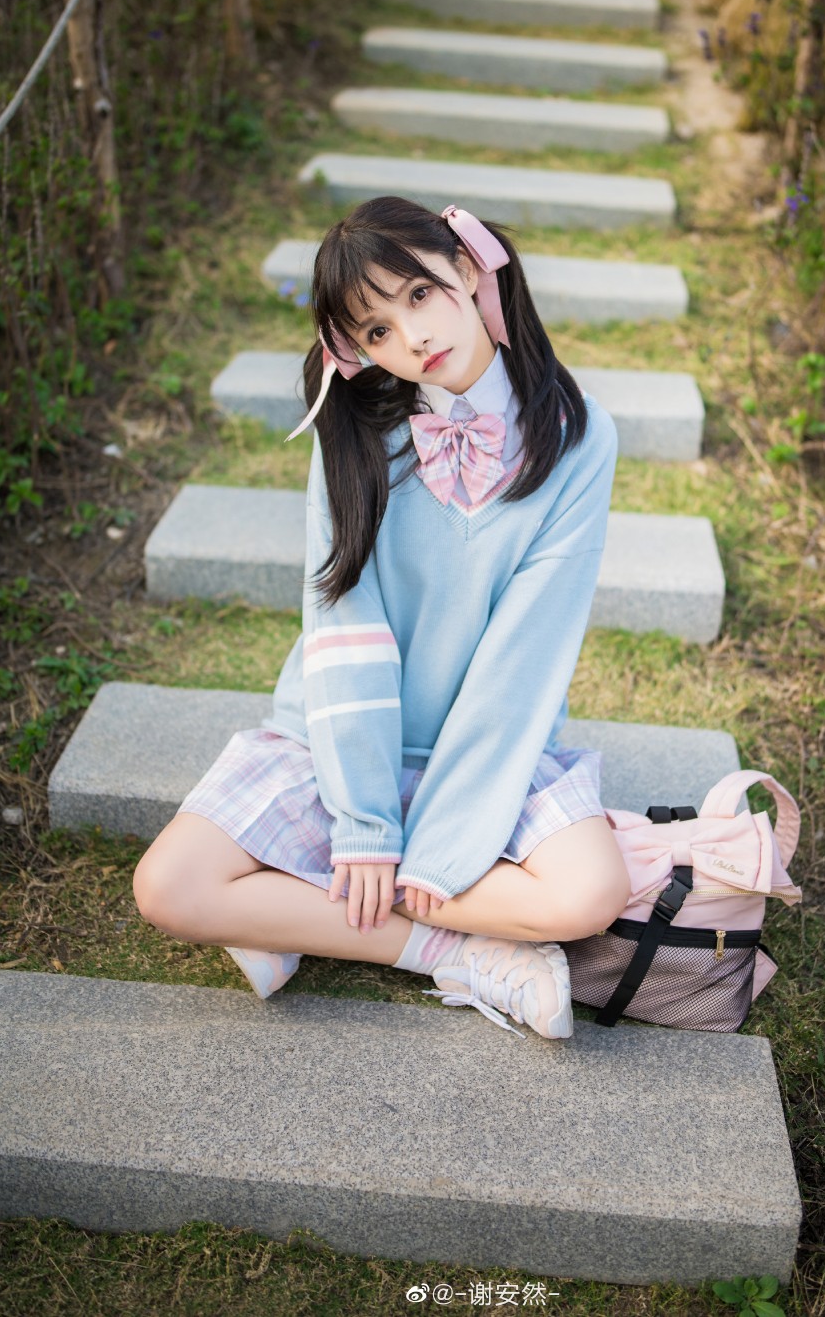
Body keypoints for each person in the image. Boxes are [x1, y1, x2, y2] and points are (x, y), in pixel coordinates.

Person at [133, 196, 632, 1040]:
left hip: (485, 746)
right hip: (341, 732)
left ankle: (288, 912)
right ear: (356, 349)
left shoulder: (579, 439)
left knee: (590, 895)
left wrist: (444, 845)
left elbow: (525, 656)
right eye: (376, 330)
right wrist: (366, 826)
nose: (412, 336)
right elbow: (342, 625)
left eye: (419, 294)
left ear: (467, 270)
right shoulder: (356, 434)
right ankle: (453, 952)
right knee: (166, 886)